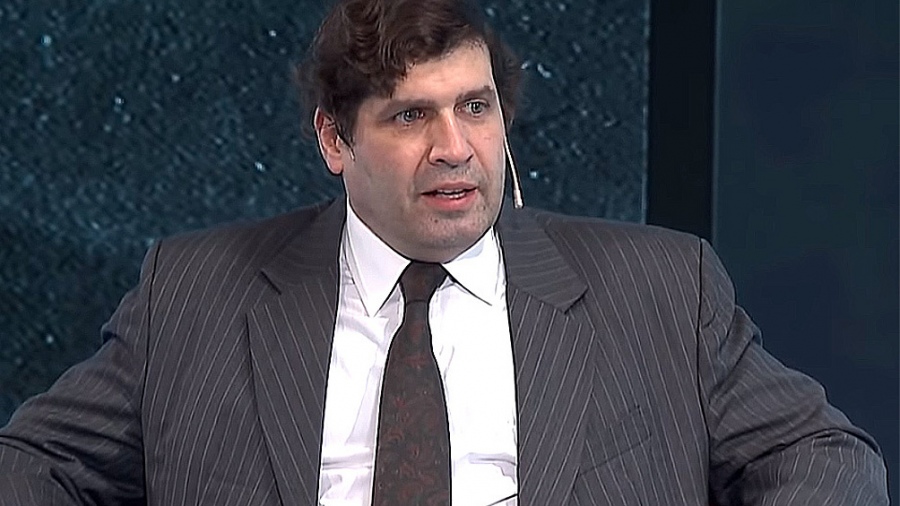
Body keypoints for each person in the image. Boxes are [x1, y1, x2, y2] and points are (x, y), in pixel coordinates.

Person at [0, 0, 888, 504]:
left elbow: (828, 458)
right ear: (334, 139)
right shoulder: (194, 293)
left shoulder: (659, 286)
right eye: (410, 116)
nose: (455, 148)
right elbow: (32, 466)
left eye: (475, 107)